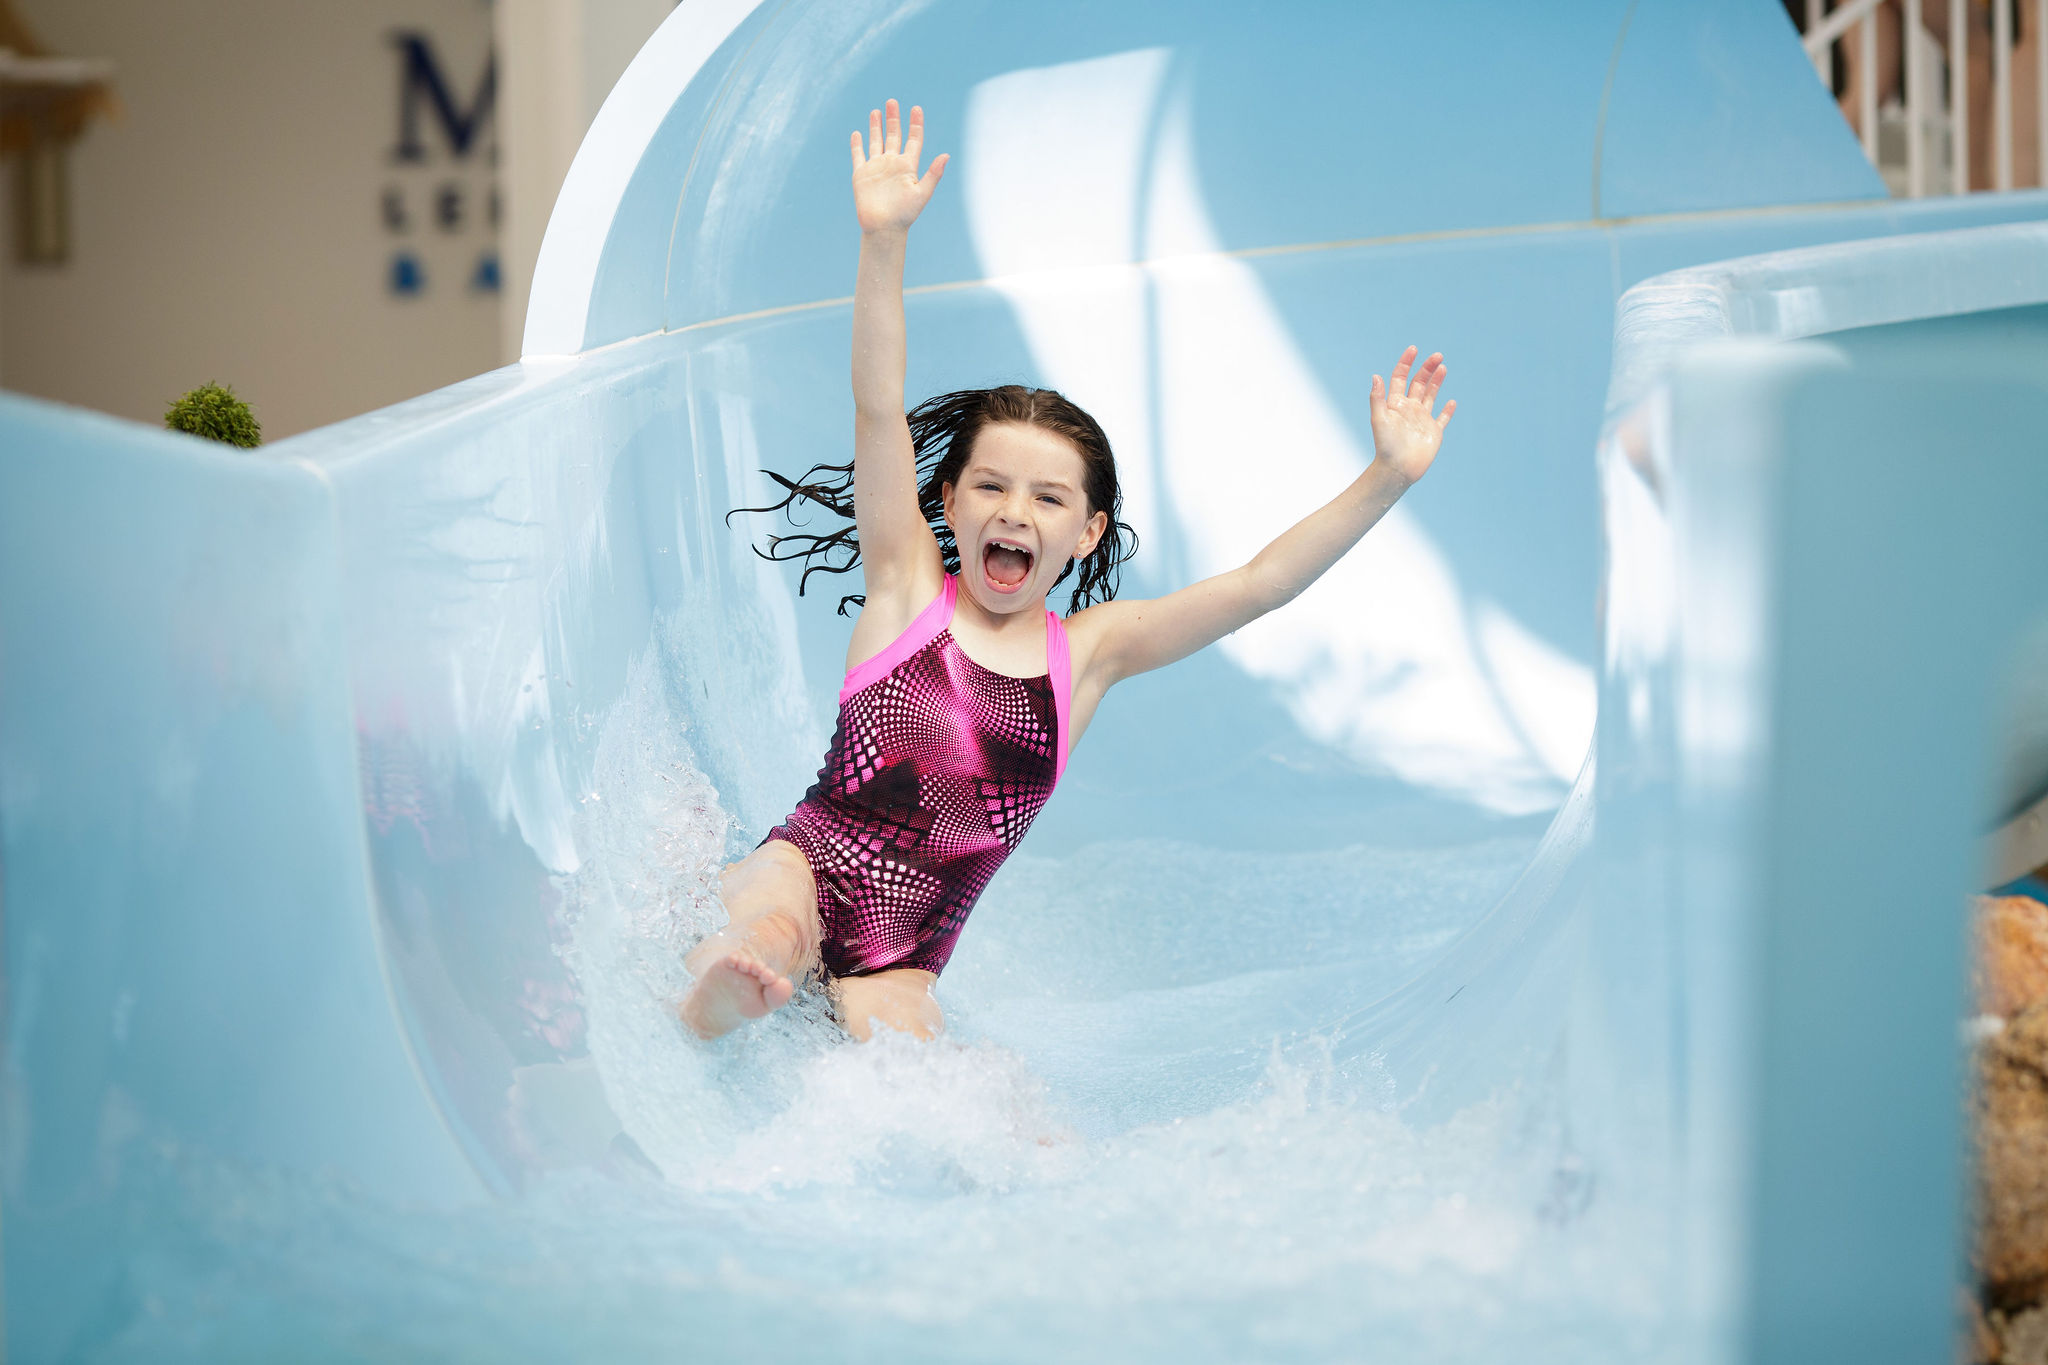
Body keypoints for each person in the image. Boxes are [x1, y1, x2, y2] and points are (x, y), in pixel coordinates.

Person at [679, 99, 1455, 1042]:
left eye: (1048, 499)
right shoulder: (908, 587)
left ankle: (782, 1004)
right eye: (992, 487)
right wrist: (883, 242)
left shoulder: (1087, 654)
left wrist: (1386, 478)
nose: (1015, 511)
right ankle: (725, 987)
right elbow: (879, 409)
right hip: (809, 859)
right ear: (950, 504)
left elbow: (1261, 583)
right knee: (770, 921)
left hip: (907, 951)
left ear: (1087, 533)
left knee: (946, 1083)